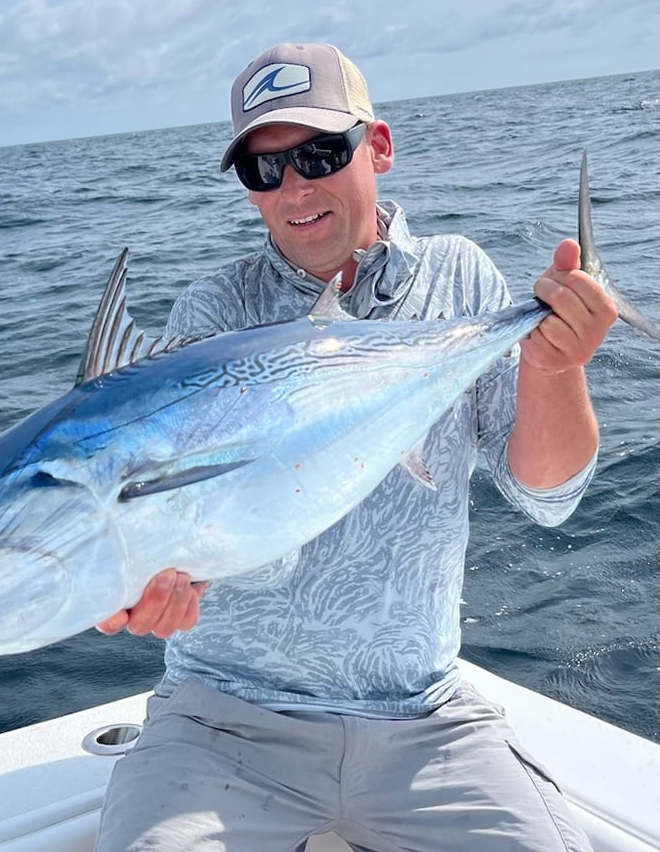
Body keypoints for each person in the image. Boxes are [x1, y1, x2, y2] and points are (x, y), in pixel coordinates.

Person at [93, 42, 617, 851]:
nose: (293, 187)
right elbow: (190, 508)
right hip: (221, 721)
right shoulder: (213, 312)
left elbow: (546, 498)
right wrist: (153, 578)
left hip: (424, 721)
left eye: (319, 153)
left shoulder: (458, 278)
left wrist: (554, 367)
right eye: (263, 170)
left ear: (377, 147)